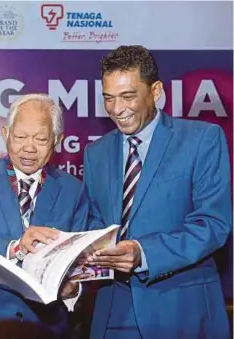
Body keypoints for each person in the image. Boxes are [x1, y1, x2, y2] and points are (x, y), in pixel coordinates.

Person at [82, 45, 232, 338]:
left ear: (156, 91)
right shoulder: (94, 153)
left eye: (128, 96)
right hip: (112, 310)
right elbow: (93, 223)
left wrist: (144, 253)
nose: (116, 109)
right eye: (108, 98)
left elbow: (213, 225)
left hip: (180, 310)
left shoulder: (202, 139)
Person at [0, 93, 88, 338]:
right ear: (5, 134)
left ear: (57, 140)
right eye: (20, 137)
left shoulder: (73, 190)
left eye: (41, 139)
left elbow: (82, 262)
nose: (29, 148)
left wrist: (73, 290)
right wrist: (14, 247)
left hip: (47, 327)